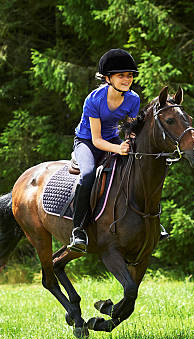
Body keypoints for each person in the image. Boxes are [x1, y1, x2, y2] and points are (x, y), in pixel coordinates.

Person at [67, 49, 140, 253]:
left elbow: (129, 128)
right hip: (87, 142)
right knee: (88, 175)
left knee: (137, 167)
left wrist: (130, 141)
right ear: (108, 78)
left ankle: (148, 220)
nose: (127, 79)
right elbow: (96, 140)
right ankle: (78, 230)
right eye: (121, 76)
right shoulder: (94, 99)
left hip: (112, 140)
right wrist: (118, 148)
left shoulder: (133, 99)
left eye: (130, 75)